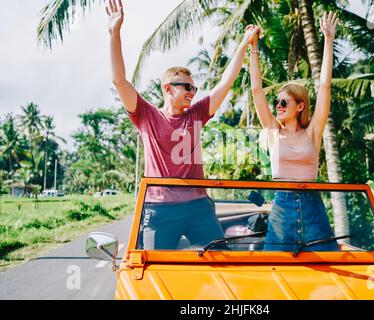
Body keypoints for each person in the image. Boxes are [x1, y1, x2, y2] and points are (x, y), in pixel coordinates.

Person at [106, 0, 259, 249]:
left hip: (198, 205)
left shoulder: (196, 114)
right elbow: (119, 80)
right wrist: (115, 33)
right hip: (159, 209)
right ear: (168, 89)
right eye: (187, 87)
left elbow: (226, 83)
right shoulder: (147, 115)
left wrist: (244, 44)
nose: (192, 92)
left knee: (220, 262)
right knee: (155, 271)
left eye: (194, 88)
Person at [247, 12, 340, 252]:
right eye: (277, 102)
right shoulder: (272, 131)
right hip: (281, 207)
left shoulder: (313, 132)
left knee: (327, 265)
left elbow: (325, 86)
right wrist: (253, 48)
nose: (278, 106)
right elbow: (256, 90)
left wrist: (328, 39)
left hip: (313, 206)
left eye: (284, 103)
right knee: (273, 267)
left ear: (300, 106)